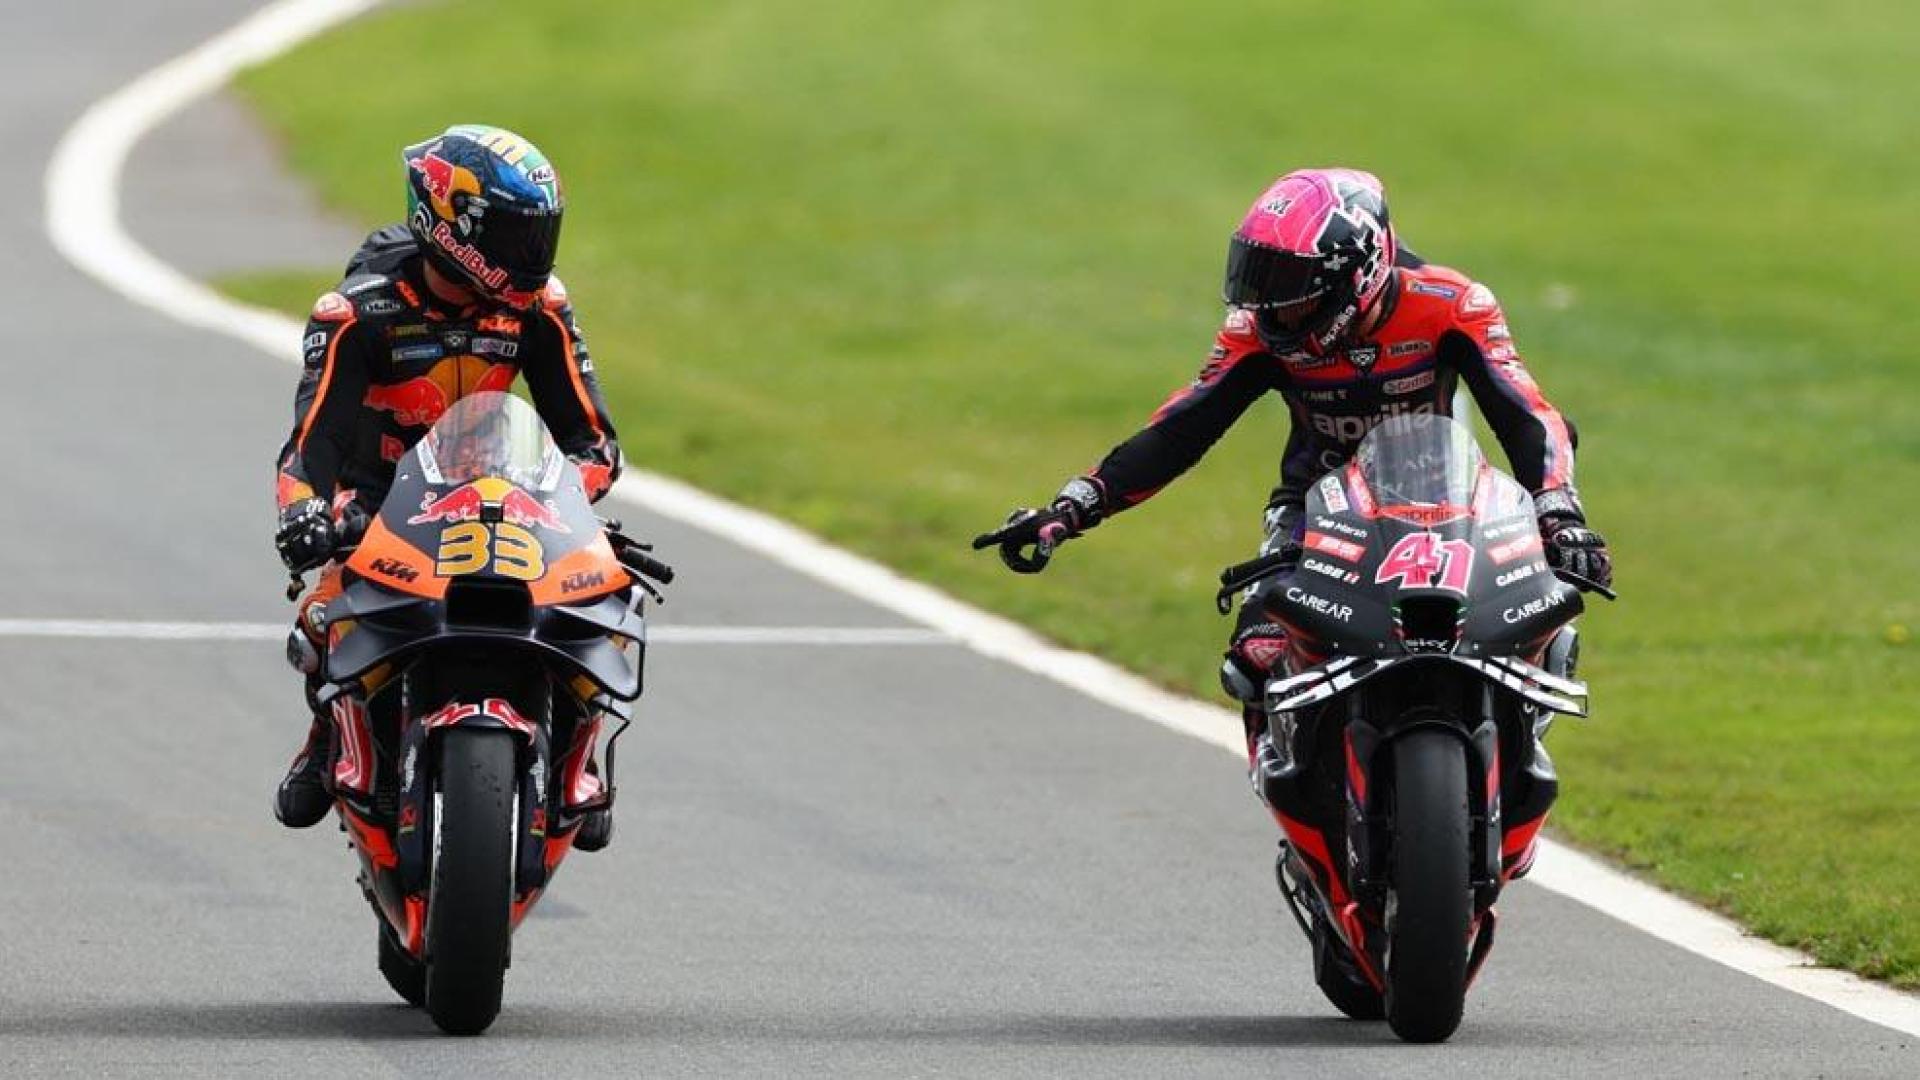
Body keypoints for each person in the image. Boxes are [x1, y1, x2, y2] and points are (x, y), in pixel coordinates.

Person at [976, 165, 1612, 803]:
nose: (1271, 308)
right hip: (1315, 510)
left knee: (1539, 621)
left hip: (1444, 503)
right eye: (1261, 283)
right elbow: (1180, 430)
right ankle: (1295, 785)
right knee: (1253, 657)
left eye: (1292, 289)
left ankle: (1511, 760)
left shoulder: (1452, 304)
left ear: (1357, 272)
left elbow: (1529, 415)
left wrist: (1560, 513)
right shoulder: (1258, 335)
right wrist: (1074, 504)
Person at [271, 125, 623, 846]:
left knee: (605, 596)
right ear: (453, 224)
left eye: (540, 236)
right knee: (319, 622)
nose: (535, 256)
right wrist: (306, 514)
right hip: (379, 505)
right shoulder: (356, 315)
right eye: (517, 236)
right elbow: (312, 448)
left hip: (506, 496)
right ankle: (330, 734)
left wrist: (566, 497)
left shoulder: (538, 309)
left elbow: (592, 440)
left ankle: (581, 753)